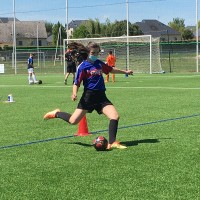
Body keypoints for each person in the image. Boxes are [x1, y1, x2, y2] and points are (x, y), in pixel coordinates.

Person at [43, 42, 133, 150]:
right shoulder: (83, 66)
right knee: (73, 121)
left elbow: (110, 69)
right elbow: (76, 82)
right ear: (88, 52)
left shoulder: (99, 63)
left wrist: (125, 72)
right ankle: (56, 113)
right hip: (88, 97)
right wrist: (74, 93)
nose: (94, 54)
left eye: (96, 52)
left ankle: (112, 142)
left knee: (114, 116)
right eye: (92, 52)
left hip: (101, 96)